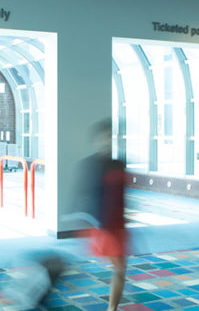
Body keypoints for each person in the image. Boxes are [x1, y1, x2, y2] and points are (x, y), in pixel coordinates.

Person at [79, 120, 128, 311]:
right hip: (105, 225)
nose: (108, 140)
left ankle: (112, 307)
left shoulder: (119, 163)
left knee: (120, 268)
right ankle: (111, 308)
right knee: (119, 268)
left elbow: (122, 195)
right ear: (98, 140)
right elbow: (88, 195)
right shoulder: (92, 165)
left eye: (111, 136)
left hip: (118, 224)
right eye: (105, 137)